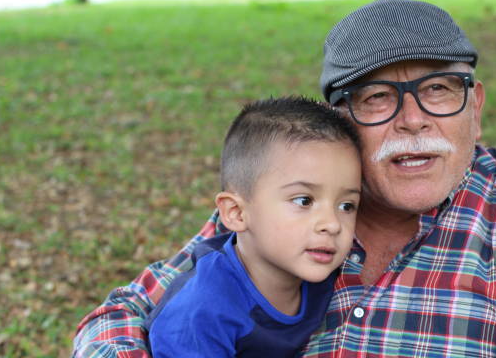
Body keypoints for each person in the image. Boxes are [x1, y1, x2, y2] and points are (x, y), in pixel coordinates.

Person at [73, 0, 496, 357]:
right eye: (377, 97)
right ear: (341, 126)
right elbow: (123, 313)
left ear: (475, 107)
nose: (414, 120)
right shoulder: (286, 198)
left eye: (438, 89)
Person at [145, 96, 363, 357]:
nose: (332, 224)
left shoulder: (326, 279)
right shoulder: (201, 313)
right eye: (304, 200)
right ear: (236, 213)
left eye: (347, 206)